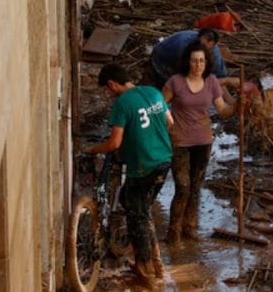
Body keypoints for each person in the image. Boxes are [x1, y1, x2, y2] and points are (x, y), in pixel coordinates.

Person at [85, 64, 173, 283]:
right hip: (164, 160)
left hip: (144, 166)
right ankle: (156, 261)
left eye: (107, 90)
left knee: (137, 215)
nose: (109, 94)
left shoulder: (122, 102)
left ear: (112, 84)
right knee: (137, 206)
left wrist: (91, 149)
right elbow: (169, 122)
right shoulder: (153, 92)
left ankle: (144, 268)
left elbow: (114, 142)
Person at [162, 43, 236, 244]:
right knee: (182, 185)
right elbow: (160, 106)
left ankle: (189, 227)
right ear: (188, 61)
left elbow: (222, 110)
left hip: (203, 141)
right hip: (179, 142)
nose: (198, 65)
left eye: (201, 60)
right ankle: (173, 231)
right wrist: (169, 125)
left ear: (206, 62)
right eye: (194, 60)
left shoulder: (211, 81)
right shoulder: (175, 82)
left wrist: (238, 106)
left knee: (195, 186)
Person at [150, 27, 232, 85]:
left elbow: (219, 77)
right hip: (163, 60)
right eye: (201, 45)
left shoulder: (214, 53)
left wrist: (227, 82)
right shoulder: (182, 46)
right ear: (197, 39)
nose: (203, 50)